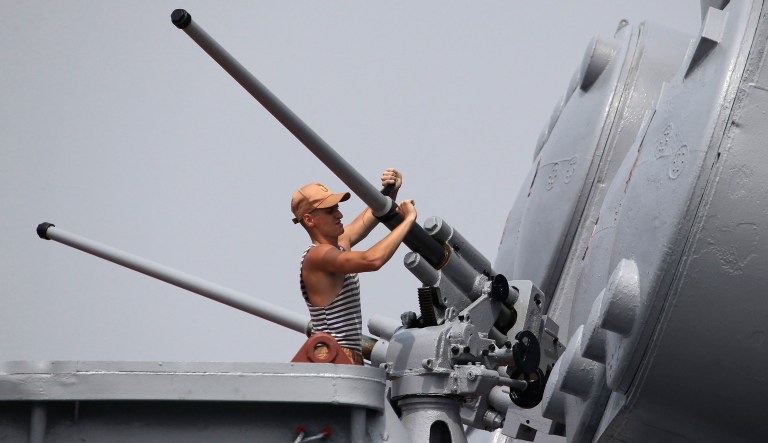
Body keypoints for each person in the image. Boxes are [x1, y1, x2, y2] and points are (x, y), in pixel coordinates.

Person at [291, 168, 416, 365]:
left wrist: (389, 191)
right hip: (333, 356)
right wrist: (407, 220)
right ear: (309, 219)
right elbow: (372, 260)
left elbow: (370, 217)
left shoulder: (339, 245)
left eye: (337, 208)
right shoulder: (317, 256)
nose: (339, 214)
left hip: (348, 356)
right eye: (330, 211)